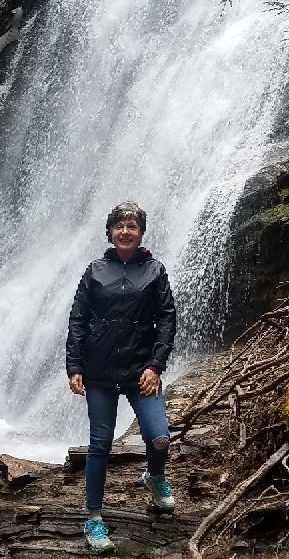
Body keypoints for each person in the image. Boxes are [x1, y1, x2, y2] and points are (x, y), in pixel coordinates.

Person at [66, 201, 177, 554]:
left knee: (158, 436)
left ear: (141, 232)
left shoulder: (155, 271)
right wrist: (75, 366)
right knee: (100, 443)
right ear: (110, 232)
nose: (126, 231)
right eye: (119, 226)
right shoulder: (95, 270)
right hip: (99, 371)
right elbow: (78, 319)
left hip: (140, 370)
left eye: (132, 226)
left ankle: (154, 476)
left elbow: (167, 320)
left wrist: (155, 366)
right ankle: (94, 519)